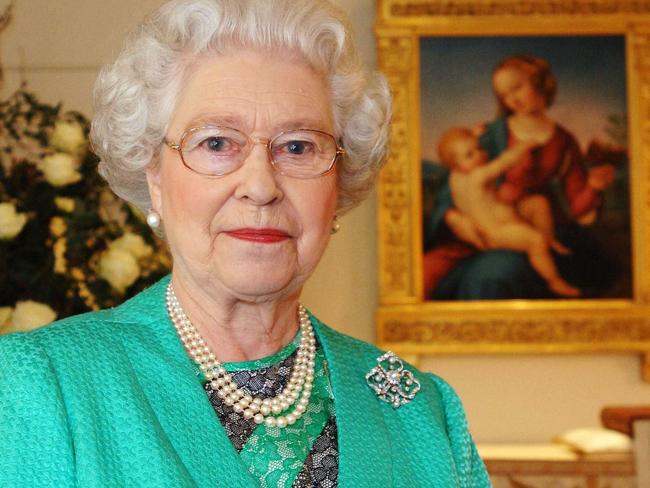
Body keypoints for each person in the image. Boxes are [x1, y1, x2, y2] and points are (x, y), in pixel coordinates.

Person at [0, 1, 490, 486]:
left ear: (339, 183)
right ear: (154, 176)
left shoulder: (421, 413)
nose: (261, 185)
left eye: (298, 146)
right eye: (216, 143)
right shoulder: (42, 386)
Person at [425, 54, 615, 300]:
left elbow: (577, 202)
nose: (512, 99)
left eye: (517, 88)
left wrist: (593, 186)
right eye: (504, 95)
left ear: (540, 83)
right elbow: (455, 187)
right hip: (490, 224)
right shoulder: (492, 135)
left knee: (597, 265)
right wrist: (454, 218)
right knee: (494, 276)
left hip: (541, 220)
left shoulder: (564, 140)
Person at [437, 127, 579, 297]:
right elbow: (504, 162)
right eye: (470, 154)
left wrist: (472, 136)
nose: (480, 154)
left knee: (538, 203)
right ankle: (554, 281)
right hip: (495, 232)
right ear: (455, 165)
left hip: (505, 216)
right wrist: (522, 147)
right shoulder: (478, 176)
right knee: (535, 240)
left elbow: (461, 151)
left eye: (478, 148)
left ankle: (551, 240)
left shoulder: (456, 175)